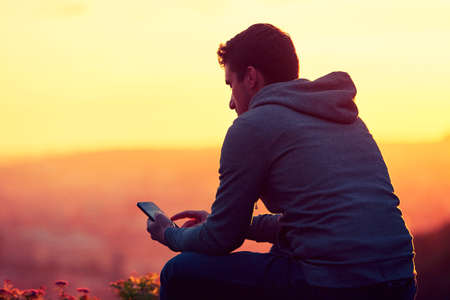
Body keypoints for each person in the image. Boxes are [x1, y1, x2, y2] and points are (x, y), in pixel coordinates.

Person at [147, 23, 417, 300]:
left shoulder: (251, 126)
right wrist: (235, 223)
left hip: (333, 285)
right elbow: (314, 222)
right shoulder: (346, 118)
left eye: (231, 84)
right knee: (283, 254)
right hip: (400, 281)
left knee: (178, 273)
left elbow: (222, 239)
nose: (230, 102)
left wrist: (170, 235)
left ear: (251, 77)